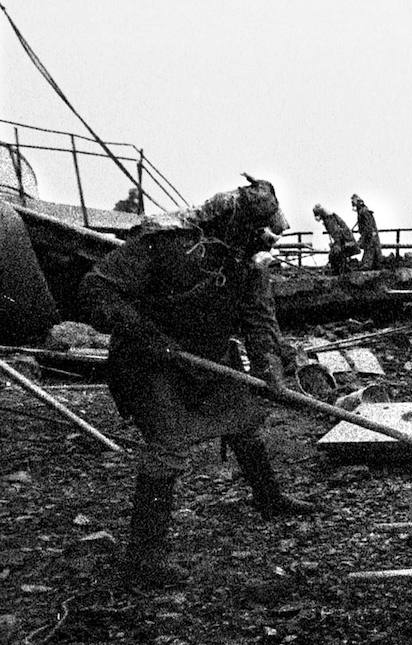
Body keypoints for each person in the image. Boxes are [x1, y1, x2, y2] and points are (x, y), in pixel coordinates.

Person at [80, 176, 316, 589]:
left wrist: (270, 371)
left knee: (244, 419)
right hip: (153, 359)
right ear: (234, 224)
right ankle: (144, 558)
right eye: (261, 232)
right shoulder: (165, 245)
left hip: (209, 357)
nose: (269, 243)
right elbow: (97, 287)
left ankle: (269, 499)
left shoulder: (245, 263)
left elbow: (259, 321)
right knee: (167, 448)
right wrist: (147, 335)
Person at [313, 203, 358, 275]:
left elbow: (336, 232)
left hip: (343, 240)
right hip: (344, 239)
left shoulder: (329, 221)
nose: (316, 217)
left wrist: (337, 243)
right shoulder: (330, 218)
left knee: (335, 254)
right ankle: (341, 271)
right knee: (336, 255)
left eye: (316, 215)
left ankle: (340, 272)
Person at [351, 193, 383, 271]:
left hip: (370, 234)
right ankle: (374, 265)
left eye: (354, 203)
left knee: (370, 248)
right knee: (371, 249)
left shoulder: (363, 211)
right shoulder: (362, 211)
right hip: (369, 233)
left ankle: (368, 265)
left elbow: (368, 225)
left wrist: (364, 236)